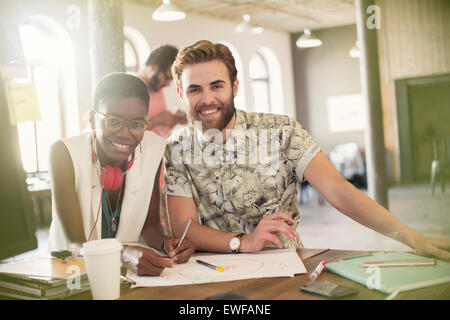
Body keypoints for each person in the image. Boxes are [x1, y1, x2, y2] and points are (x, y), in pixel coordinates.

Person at [163, 40, 450, 261]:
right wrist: (242, 242)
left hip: (285, 263)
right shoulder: (178, 149)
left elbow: (339, 190)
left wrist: (412, 238)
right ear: (180, 93)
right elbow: (184, 229)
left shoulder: (281, 131)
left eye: (217, 86)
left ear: (235, 86)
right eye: (195, 90)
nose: (207, 99)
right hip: (217, 269)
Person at [48, 73, 193, 276]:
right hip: (72, 275)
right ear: (92, 119)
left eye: (136, 124)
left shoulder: (154, 149)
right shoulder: (64, 154)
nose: (125, 134)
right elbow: (75, 244)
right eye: (113, 121)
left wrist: (166, 243)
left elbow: (150, 226)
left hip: (128, 278)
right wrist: (123, 254)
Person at [137, 44, 187, 139]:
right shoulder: (130, 90)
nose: (168, 84)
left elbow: (159, 125)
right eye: (167, 78)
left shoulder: (156, 87)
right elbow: (127, 133)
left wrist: (173, 119)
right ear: (153, 67)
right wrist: (156, 121)